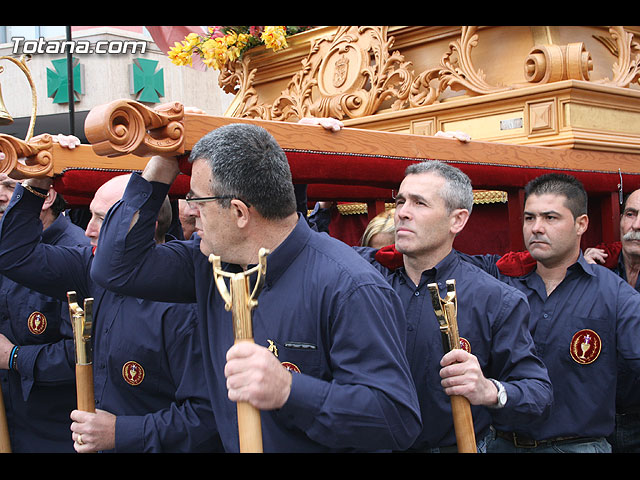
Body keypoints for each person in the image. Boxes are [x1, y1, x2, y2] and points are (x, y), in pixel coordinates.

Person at [90, 122, 422, 452]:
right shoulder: (209, 264)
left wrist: (290, 390)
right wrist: (162, 161)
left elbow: (397, 419)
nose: (190, 212)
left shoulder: (348, 285)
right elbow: (116, 267)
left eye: (198, 201)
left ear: (238, 212)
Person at [0, 172, 221, 453]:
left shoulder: (183, 307)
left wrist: (121, 433)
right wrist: (37, 179)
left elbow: (206, 420)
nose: (88, 230)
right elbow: (15, 255)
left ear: (144, 229)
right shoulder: (89, 269)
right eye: (90, 215)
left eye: (102, 219)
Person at [354, 160, 552, 452]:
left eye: (419, 203)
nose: (402, 213)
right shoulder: (365, 280)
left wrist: (489, 390)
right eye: (400, 201)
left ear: (457, 220)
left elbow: (539, 394)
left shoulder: (495, 299)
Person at [460, 173, 640, 453]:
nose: (536, 228)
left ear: (581, 224)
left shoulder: (615, 296)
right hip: (502, 444)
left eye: (550, 218)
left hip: (577, 445)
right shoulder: (501, 283)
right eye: (529, 218)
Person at [0, 163, 89, 452]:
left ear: (46, 195)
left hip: (56, 429)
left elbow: (87, 350)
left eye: (8, 186)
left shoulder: (76, 253)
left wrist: (13, 357)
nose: (1, 196)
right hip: (11, 420)